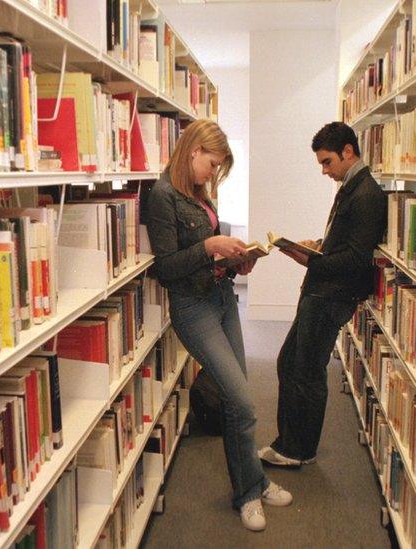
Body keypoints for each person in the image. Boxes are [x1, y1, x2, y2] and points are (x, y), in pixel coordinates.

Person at [145, 119, 292, 532]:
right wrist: (209, 246)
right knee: (243, 401)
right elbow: (166, 266)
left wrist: (234, 261)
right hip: (194, 308)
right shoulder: (162, 196)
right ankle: (247, 494)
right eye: (212, 164)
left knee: (236, 401)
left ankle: (254, 482)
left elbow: (207, 250)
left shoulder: (197, 192)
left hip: (222, 297)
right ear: (193, 152)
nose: (213, 174)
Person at [259, 121, 387, 468]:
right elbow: (344, 243)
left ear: (348, 152)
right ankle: (289, 442)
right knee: (290, 362)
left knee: (307, 371)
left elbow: (357, 259)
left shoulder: (367, 194)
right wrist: (317, 247)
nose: (324, 170)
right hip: (320, 291)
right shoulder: (352, 186)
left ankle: (298, 450)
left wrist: (312, 260)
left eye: (327, 161)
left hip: (332, 296)